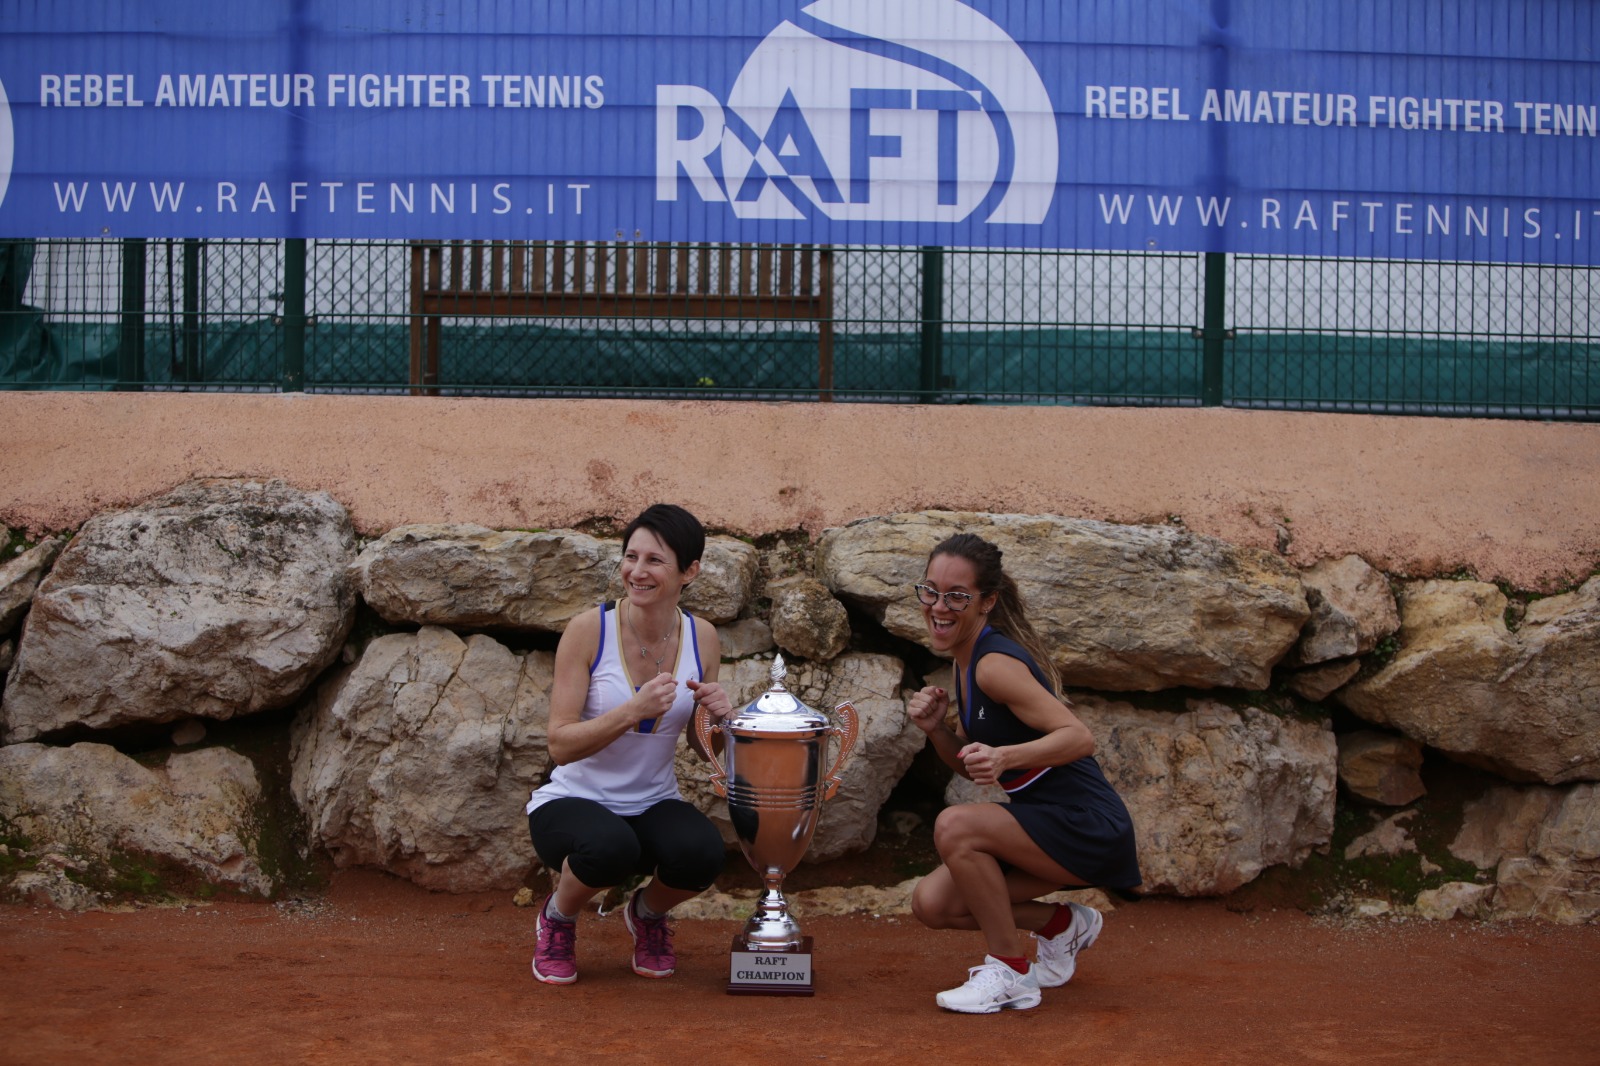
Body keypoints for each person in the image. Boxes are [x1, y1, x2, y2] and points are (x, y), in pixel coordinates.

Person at [906, 532, 1141, 1014]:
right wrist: (937, 731)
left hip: (1087, 824)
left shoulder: (993, 664)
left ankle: (1011, 971)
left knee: (956, 825)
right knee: (934, 904)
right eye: (930, 591)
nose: (938, 606)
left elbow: (1079, 738)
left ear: (987, 601)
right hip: (1042, 824)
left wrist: (1007, 758)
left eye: (956, 596)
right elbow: (974, 766)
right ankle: (1061, 926)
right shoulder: (964, 661)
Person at [525, 503, 734, 985]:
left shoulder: (702, 637)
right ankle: (557, 918)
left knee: (703, 853)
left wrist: (721, 720)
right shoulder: (587, 630)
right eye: (630, 557)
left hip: (652, 802)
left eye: (655, 561)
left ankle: (647, 914)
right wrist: (630, 712)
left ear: (690, 571)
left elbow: (703, 750)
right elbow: (559, 744)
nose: (636, 572)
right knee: (609, 847)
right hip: (572, 802)